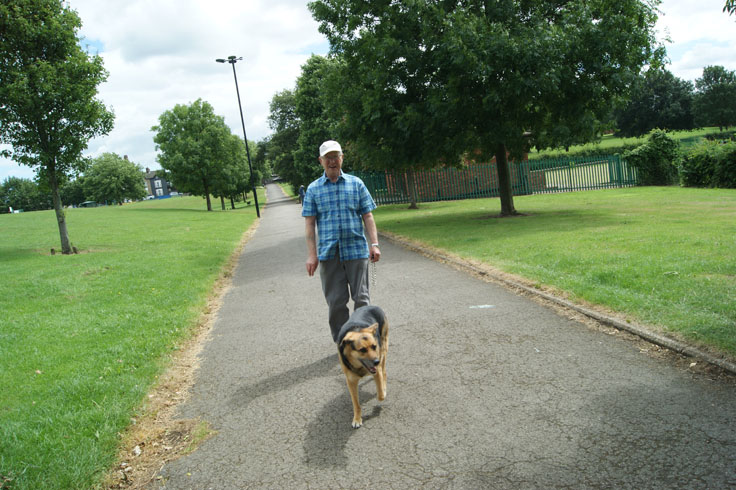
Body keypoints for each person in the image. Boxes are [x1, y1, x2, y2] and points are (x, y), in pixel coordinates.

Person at [302, 140, 381, 342]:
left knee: (362, 299)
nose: (332, 161)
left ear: (342, 158)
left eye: (335, 156)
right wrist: (312, 255)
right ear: (321, 161)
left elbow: (368, 216)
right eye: (328, 158)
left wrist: (374, 244)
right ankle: (344, 343)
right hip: (329, 253)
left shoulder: (356, 184)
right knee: (336, 302)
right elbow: (309, 224)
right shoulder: (313, 189)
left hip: (356, 251)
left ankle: (364, 341)